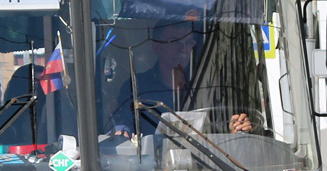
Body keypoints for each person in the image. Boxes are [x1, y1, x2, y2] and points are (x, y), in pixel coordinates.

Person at [103, 20, 252, 137]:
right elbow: (122, 125)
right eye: (174, 41)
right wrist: (121, 131)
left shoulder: (207, 84)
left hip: (207, 170)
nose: (183, 48)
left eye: (187, 43)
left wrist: (236, 127)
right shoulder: (136, 86)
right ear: (157, 47)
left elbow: (221, 128)